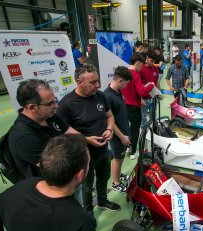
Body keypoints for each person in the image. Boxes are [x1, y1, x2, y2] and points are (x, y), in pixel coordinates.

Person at [57, 64, 120, 215]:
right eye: (92, 82)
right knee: (86, 184)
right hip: (83, 154)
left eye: (97, 81)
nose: (97, 85)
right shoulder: (66, 104)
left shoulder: (100, 96)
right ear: (79, 82)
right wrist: (86, 140)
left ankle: (103, 200)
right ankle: (88, 211)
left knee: (103, 177)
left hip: (103, 150)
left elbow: (109, 116)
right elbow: (63, 133)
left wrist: (109, 129)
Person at [9, 79, 77, 179]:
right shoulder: (23, 136)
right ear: (32, 108)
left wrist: (87, 139)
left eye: (55, 100)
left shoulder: (49, 115)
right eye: (50, 103)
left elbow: (68, 130)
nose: (56, 106)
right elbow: (56, 167)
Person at [103, 66, 133, 192]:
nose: (126, 87)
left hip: (123, 132)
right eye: (126, 84)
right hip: (117, 136)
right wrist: (122, 136)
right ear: (120, 81)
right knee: (118, 159)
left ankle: (117, 175)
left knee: (120, 158)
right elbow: (110, 121)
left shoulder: (117, 92)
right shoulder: (108, 96)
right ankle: (116, 183)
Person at [122, 53, 155, 159]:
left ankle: (128, 147)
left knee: (129, 127)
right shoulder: (135, 75)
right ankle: (132, 152)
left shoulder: (123, 73)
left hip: (125, 105)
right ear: (138, 63)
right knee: (135, 129)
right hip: (134, 107)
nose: (142, 68)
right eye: (141, 65)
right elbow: (142, 91)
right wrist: (150, 85)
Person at [140, 50, 160, 128]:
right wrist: (140, 99)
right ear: (147, 58)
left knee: (153, 117)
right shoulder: (141, 69)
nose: (152, 63)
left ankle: (153, 132)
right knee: (143, 117)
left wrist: (159, 93)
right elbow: (138, 86)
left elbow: (157, 83)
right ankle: (143, 136)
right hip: (144, 98)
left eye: (154, 61)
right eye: (151, 61)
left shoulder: (155, 69)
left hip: (153, 97)